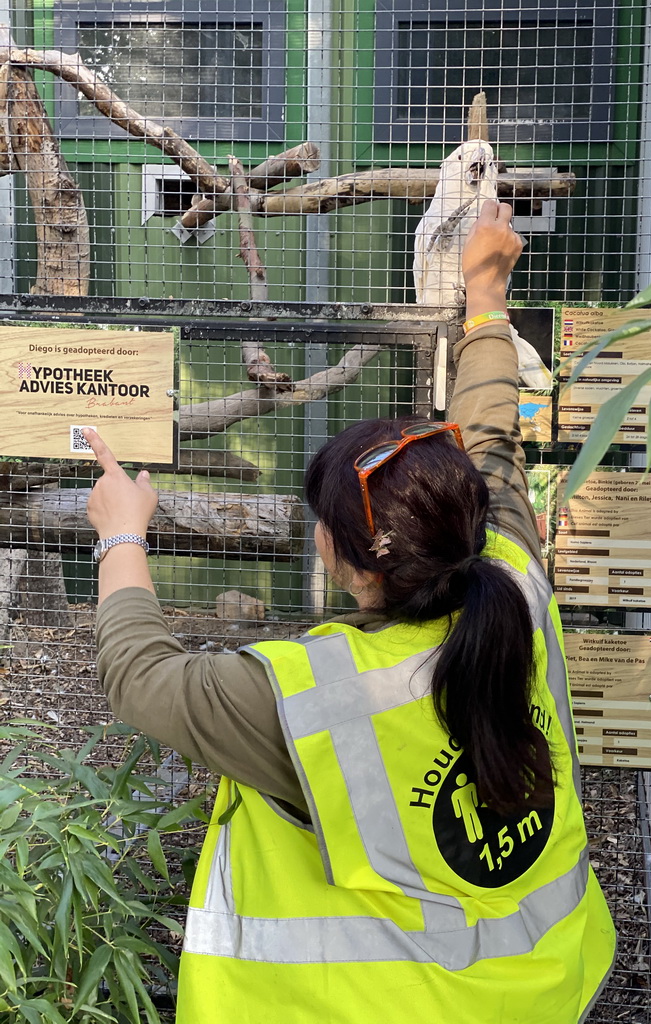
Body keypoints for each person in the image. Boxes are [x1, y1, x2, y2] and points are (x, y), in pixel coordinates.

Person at [85, 199, 616, 1023]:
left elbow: (141, 677)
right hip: (543, 987)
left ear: (340, 559)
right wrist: (487, 300)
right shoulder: (511, 571)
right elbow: (492, 437)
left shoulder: (310, 699)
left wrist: (121, 535)